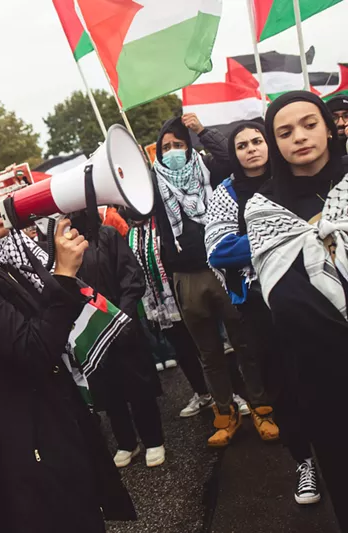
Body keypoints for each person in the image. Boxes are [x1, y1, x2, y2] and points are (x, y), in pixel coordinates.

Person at [0, 169, 135, 532]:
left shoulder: (9, 255)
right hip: (23, 444)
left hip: (52, 420)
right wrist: (64, 276)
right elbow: (33, 349)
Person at [245, 91, 348, 527]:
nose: (299, 137)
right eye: (284, 132)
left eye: (309, 124)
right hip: (322, 368)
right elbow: (286, 299)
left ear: (329, 126)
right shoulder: (264, 209)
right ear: (274, 142)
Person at [153, 113, 273, 447]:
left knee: (245, 342)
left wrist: (202, 131)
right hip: (186, 277)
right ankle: (226, 413)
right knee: (209, 353)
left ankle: (262, 407)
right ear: (158, 154)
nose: (173, 151)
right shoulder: (152, 182)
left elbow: (228, 156)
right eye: (167, 147)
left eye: (179, 144)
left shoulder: (209, 169)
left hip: (223, 272)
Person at [202, 122, 283, 445]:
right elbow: (219, 250)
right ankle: (302, 456)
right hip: (258, 299)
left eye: (257, 141)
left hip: (309, 292)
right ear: (234, 155)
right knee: (277, 374)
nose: (251, 149)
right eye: (242, 145)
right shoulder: (227, 192)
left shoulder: (292, 178)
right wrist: (280, 235)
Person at [69, 212, 166, 468]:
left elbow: (131, 276)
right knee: (108, 389)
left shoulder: (108, 235)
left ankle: (153, 439)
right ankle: (127, 443)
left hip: (122, 323)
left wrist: (120, 316)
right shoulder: (64, 245)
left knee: (138, 386)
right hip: (93, 330)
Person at [126, 212, 212, 417]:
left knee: (207, 346)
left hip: (180, 292)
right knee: (183, 350)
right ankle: (202, 393)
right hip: (161, 306)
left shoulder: (164, 222)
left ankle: (230, 392)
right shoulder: (131, 235)